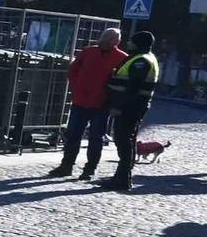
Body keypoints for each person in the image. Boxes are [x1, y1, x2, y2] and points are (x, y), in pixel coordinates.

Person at [49, 27, 127, 181]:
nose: (106, 40)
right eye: (105, 36)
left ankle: (89, 169)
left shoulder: (122, 58)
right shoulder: (88, 52)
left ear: (117, 41)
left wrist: (113, 101)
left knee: (96, 138)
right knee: (72, 135)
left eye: (110, 38)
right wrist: (77, 87)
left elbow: (122, 83)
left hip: (102, 104)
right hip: (80, 101)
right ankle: (66, 165)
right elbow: (73, 70)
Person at [97, 30, 160, 193]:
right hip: (131, 107)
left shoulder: (142, 61)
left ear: (139, 43)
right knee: (126, 142)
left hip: (130, 108)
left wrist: (118, 106)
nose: (129, 43)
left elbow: (132, 89)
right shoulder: (141, 58)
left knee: (124, 142)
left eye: (132, 41)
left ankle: (123, 179)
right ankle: (121, 177)